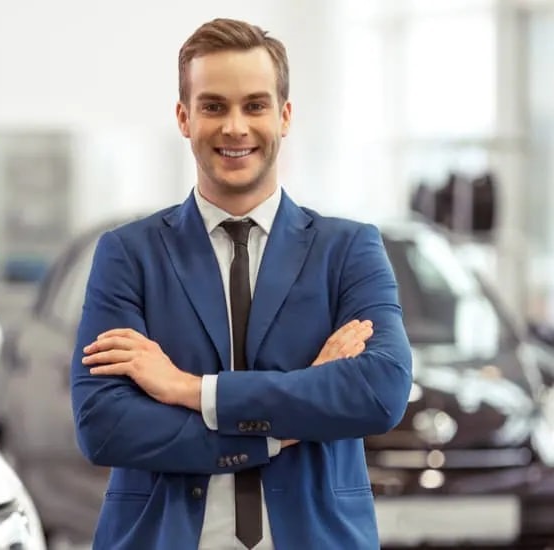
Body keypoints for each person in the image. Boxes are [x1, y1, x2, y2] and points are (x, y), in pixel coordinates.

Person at [70, 17, 413, 549]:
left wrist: (188, 390)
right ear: (184, 118)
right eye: (214, 106)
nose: (235, 127)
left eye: (255, 105)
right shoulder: (128, 255)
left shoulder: (348, 249)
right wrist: (281, 430)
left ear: (285, 116)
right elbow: (105, 424)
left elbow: (378, 391)